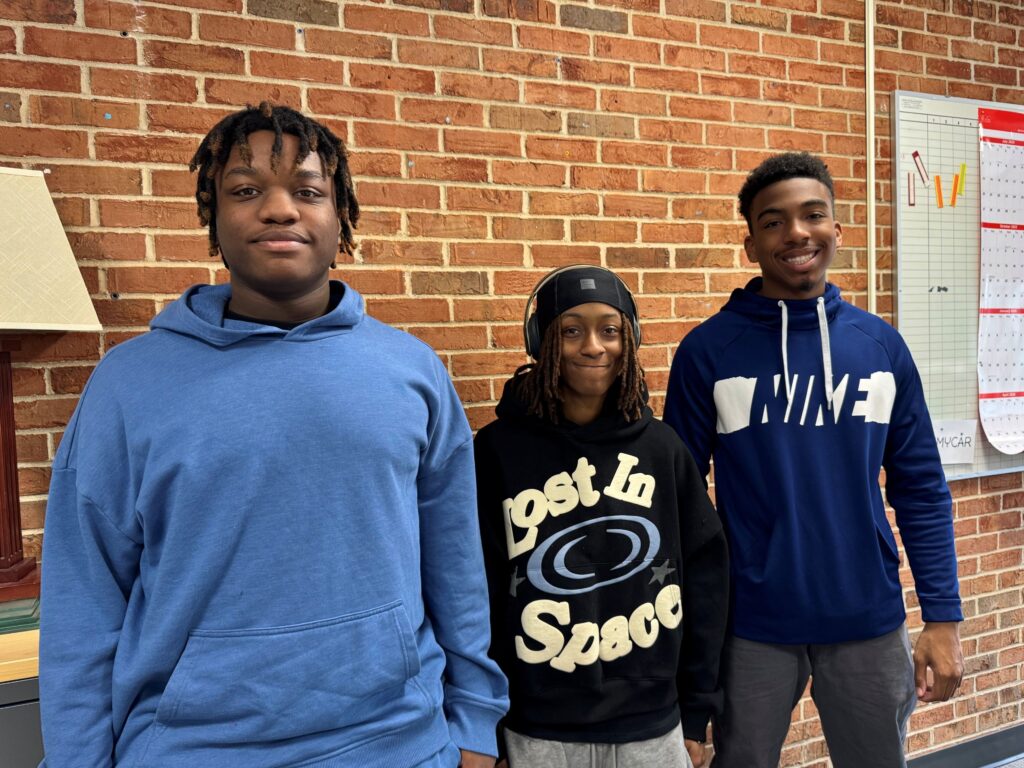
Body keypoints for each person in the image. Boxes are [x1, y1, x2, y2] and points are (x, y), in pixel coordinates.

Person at [38, 102, 508, 768]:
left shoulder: (412, 371)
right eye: (245, 190)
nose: (280, 209)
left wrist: (474, 722)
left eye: (308, 191)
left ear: (341, 218)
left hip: (400, 744)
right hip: (195, 751)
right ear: (213, 218)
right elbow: (83, 600)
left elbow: (455, 563)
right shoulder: (128, 386)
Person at [664, 152, 964, 768]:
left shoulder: (880, 347)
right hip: (750, 625)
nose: (796, 233)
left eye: (812, 215)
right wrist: (686, 652)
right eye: (773, 222)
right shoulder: (707, 352)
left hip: (867, 617)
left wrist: (943, 618)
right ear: (750, 245)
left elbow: (921, 488)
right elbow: (679, 507)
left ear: (837, 230)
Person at [474, 265, 730, 768]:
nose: (593, 346)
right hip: (536, 726)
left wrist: (697, 712)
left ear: (629, 340)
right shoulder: (497, 452)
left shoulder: (663, 450)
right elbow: (474, 588)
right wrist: (487, 725)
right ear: (540, 340)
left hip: (651, 723)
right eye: (571, 330)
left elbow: (707, 582)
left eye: (609, 330)